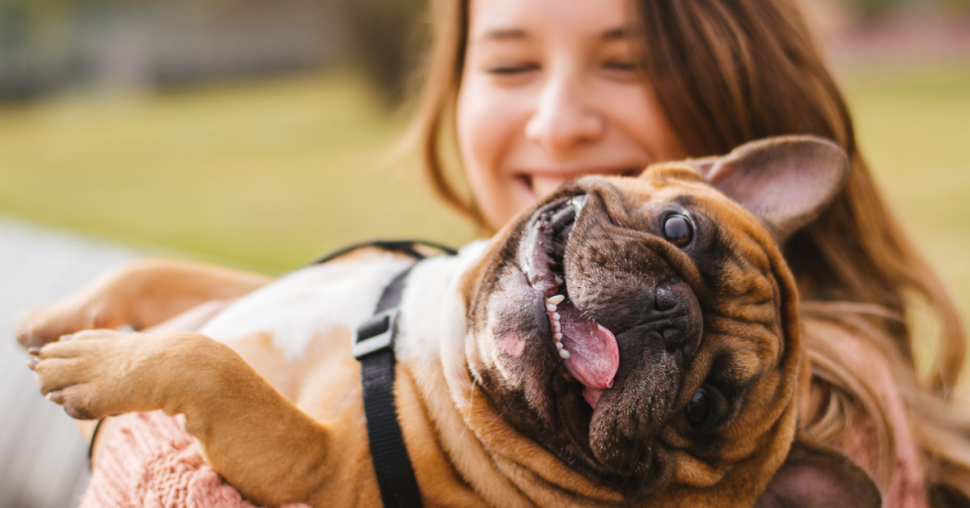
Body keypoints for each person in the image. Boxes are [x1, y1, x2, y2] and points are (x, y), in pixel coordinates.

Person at [16, 0, 970, 506]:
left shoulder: (830, 417)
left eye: (624, 61)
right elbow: (310, 318)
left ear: (739, 96)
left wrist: (140, 423)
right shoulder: (473, 301)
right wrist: (153, 293)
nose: (557, 123)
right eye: (511, 64)